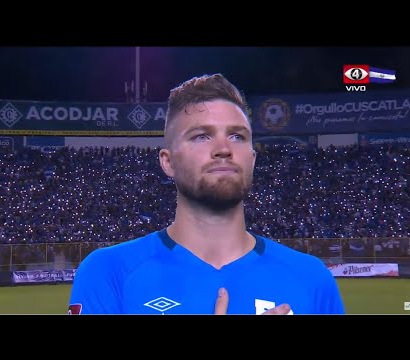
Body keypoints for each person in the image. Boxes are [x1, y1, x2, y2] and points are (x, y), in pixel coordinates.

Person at [68, 74, 345, 315]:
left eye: (238, 136)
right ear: (168, 162)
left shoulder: (311, 279)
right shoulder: (109, 272)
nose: (224, 148)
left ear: (252, 159)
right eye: (201, 136)